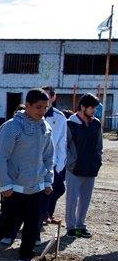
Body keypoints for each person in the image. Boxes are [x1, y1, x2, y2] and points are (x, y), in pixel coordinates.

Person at [0, 88, 53, 261]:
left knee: (32, 226)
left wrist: (47, 180)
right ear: (27, 105)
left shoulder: (45, 127)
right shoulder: (12, 127)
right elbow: (2, 158)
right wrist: (5, 185)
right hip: (15, 188)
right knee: (8, 223)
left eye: (45, 107)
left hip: (37, 187)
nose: (42, 111)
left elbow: (48, 157)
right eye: (38, 107)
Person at [65, 93, 102, 238]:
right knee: (72, 199)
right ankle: (71, 227)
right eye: (91, 108)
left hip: (91, 167)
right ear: (82, 107)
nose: (94, 111)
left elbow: (99, 145)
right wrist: (70, 161)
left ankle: (81, 226)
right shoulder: (70, 123)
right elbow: (64, 145)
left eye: (95, 108)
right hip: (74, 168)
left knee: (85, 200)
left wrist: (99, 160)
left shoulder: (96, 123)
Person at [40, 86, 67, 224]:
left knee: (58, 189)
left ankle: (47, 213)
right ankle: (42, 214)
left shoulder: (59, 117)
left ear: (53, 97)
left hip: (53, 162)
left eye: (46, 95)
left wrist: (60, 163)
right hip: (35, 162)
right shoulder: (32, 113)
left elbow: (62, 141)